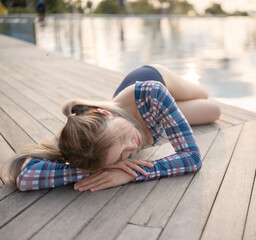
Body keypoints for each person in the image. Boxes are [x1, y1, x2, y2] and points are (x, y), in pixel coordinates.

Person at [6, 64, 221, 192]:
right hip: (160, 112)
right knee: (212, 110)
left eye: (120, 136)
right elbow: (26, 177)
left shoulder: (153, 92)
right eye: (120, 157)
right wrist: (97, 169)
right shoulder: (83, 142)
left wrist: (135, 174)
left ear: (104, 113)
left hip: (154, 81)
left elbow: (193, 158)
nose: (132, 146)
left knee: (207, 101)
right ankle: (171, 112)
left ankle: (171, 108)